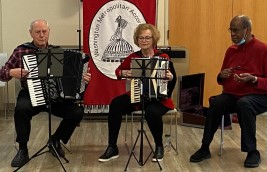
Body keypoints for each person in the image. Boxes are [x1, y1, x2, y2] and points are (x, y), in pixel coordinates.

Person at [189, 15, 267, 168]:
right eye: (230, 30)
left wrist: (253, 79)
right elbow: (221, 79)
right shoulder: (231, 51)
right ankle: (205, 147)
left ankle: (252, 151)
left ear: (247, 30)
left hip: (259, 96)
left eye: (236, 31)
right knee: (216, 103)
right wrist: (221, 75)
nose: (232, 35)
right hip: (233, 95)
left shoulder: (264, 50)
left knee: (244, 103)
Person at [0, 19, 91, 168]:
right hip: (30, 93)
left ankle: (55, 140)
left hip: (55, 97)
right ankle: (23, 149)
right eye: (38, 32)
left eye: (44, 32)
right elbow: (2, 73)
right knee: (21, 109)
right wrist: (11, 71)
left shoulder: (58, 52)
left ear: (49, 33)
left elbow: (72, 79)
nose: (42, 35)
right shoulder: (21, 51)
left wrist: (83, 79)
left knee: (77, 112)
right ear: (31, 33)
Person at [98, 23, 177, 162]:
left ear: (153, 39)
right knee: (116, 104)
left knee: (152, 112)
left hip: (159, 99)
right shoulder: (133, 57)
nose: (144, 40)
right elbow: (117, 72)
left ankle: (159, 146)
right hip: (137, 96)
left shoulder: (163, 56)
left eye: (147, 37)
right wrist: (124, 72)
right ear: (137, 39)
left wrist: (170, 77)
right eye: (141, 38)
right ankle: (112, 147)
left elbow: (172, 78)